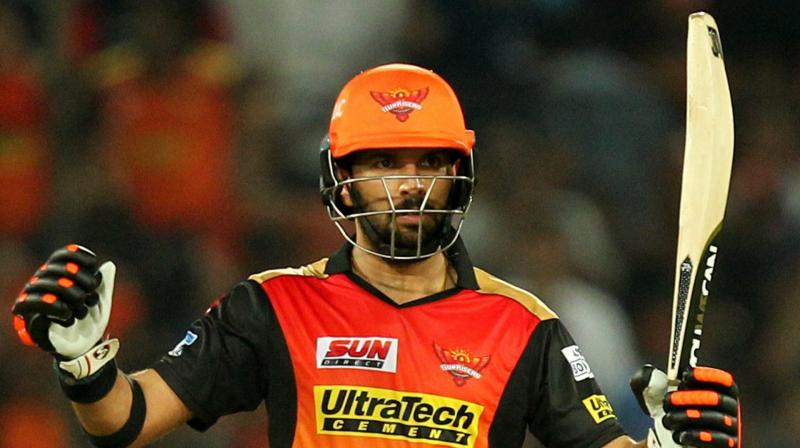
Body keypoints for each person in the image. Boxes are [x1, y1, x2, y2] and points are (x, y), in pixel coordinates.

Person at [11, 63, 740, 448]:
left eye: (427, 161)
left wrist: (673, 445)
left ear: (459, 175)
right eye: (381, 161)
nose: (407, 184)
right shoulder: (270, 306)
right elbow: (126, 421)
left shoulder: (523, 326)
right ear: (342, 177)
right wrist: (83, 366)